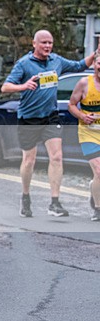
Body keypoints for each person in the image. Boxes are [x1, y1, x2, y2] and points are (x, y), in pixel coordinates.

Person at [1, 30, 99, 218]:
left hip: (51, 117)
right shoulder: (24, 64)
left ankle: (54, 202)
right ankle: (26, 196)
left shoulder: (56, 61)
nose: (47, 46)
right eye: (44, 43)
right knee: (29, 160)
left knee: (57, 157)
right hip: (29, 118)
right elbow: (5, 87)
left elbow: (79, 65)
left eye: (50, 43)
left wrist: (96, 53)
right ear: (34, 44)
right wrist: (24, 86)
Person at [68, 54, 100, 221]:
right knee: (99, 170)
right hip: (89, 134)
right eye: (99, 63)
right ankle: (98, 209)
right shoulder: (84, 83)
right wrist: (82, 116)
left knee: (98, 176)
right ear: (94, 64)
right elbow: (71, 105)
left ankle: (95, 189)